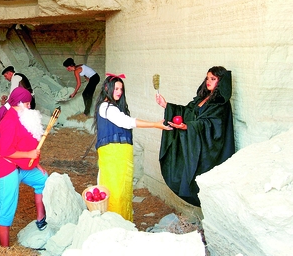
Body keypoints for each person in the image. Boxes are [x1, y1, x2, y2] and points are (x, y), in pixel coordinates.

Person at [94, 74, 171, 221]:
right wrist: (155, 124)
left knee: (123, 190)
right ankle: (114, 223)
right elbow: (127, 122)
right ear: (106, 88)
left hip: (120, 154)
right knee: (115, 190)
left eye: (121, 89)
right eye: (116, 88)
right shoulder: (106, 107)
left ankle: (123, 222)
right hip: (113, 154)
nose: (119, 92)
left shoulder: (112, 107)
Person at [156, 66, 235, 207]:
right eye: (207, 78)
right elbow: (188, 111)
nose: (208, 81)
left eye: (213, 79)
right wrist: (166, 105)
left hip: (208, 150)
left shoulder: (220, 104)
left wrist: (188, 127)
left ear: (221, 82)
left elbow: (211, 125)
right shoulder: (203, 98)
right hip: (196, 140)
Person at [0, 87, 48, 247]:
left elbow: (23, 142)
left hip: (22, 166)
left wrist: (35, 162)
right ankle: (5, 247)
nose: (30, 107)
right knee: (8, 206)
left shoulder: (20, 117)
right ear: (20, 103)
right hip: (7, 168)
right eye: (28, 103)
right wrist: (29, 155)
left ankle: (40, 218)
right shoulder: (9, 121)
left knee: (43, 180)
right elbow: (5, 151)